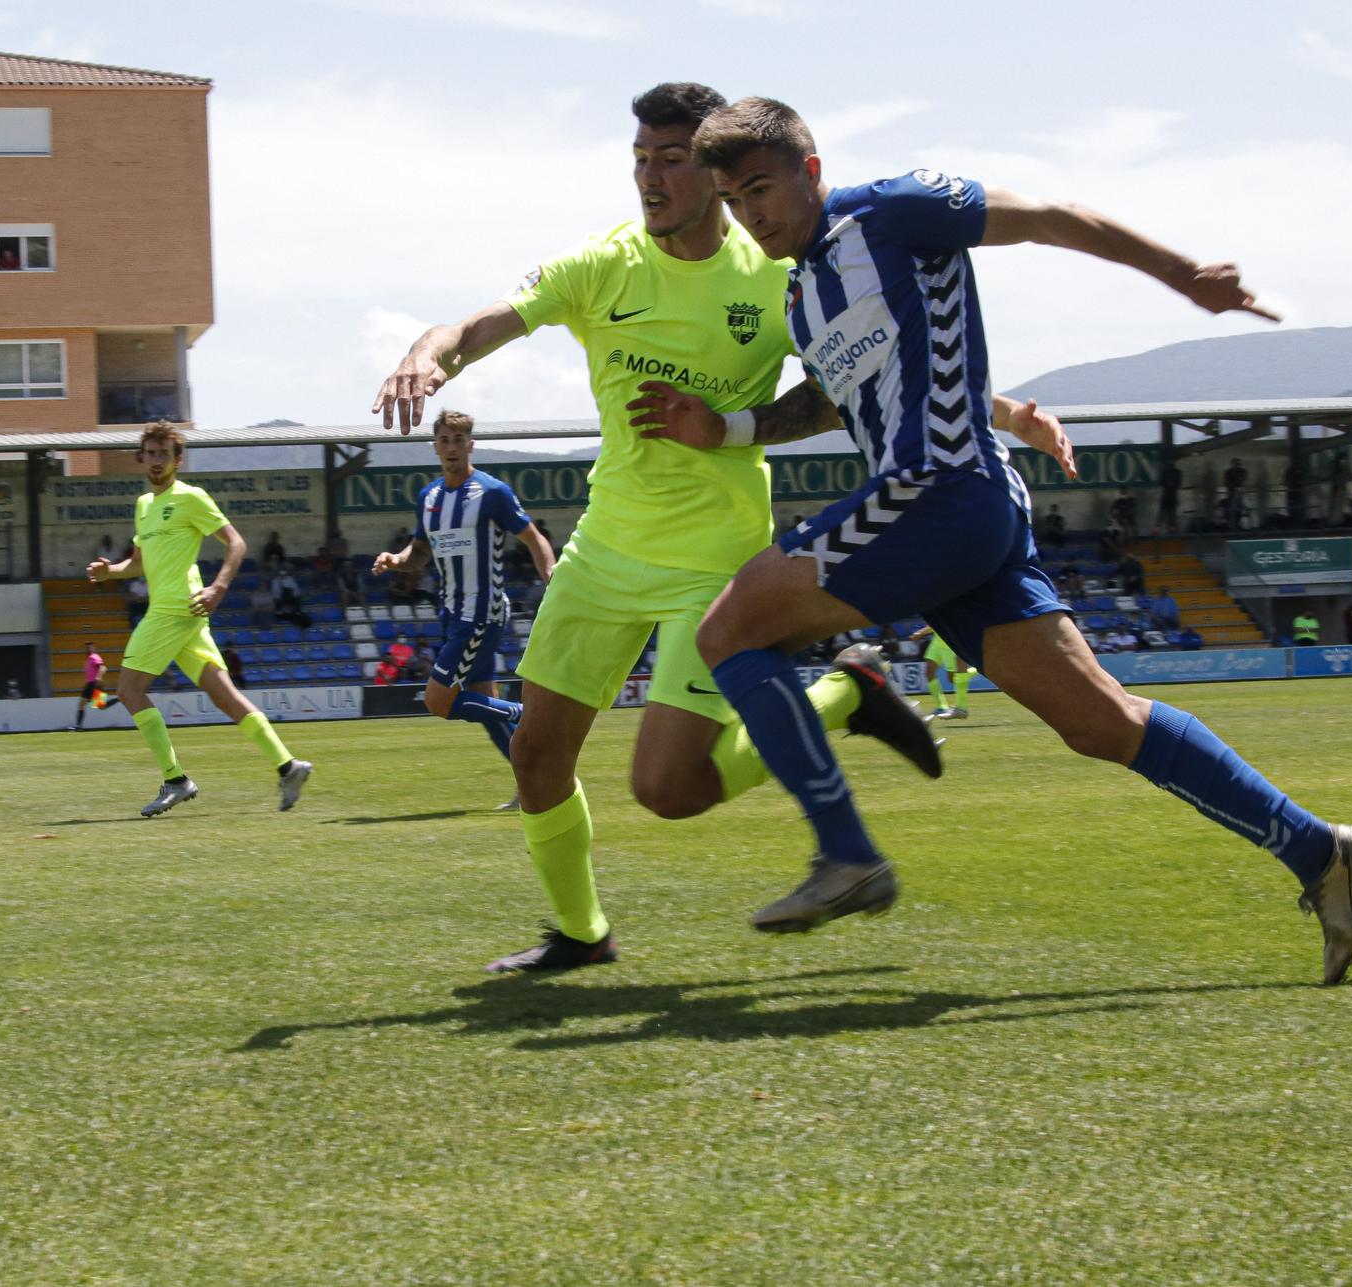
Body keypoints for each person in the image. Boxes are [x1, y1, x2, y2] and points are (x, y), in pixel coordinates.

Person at [681, 95, 1352, 984]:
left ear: (809, 172)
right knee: (1099, 721)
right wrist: (732, 430)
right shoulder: (803, 290)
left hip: (938, 493)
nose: (752, 213)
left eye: (761, 189)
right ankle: (1321, 851)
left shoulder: (894, 206)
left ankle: (846, 854)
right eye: (736, 201)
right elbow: (841, 393)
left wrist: (1180, 272)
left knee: (729, 630)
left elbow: (1053, 218)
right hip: (960, 513)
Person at [370, 82, 947, 974]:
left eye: (670, 160)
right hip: (606, 550)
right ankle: (581, 934)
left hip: (716, 561)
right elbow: (485, 321)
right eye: (639, 159)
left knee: (671, 791)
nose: (649, 178)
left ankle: (847, 693)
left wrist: (741, 424)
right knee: (534, 752)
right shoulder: (604, 265)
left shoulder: (775, 274)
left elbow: (845, 386)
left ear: (716, 176)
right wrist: (427, 351)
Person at [87, 423, 313, 816]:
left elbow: (236, 543)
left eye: (164, 454)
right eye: (151, 453)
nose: (156, 461)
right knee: (224, 695)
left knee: (128, 690)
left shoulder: (191, 498)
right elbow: (138, 564)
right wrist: (112, 571)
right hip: (184, 612)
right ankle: (287, 765)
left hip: (175, 609)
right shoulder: (143, 505)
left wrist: (219, 588)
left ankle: (175, 780)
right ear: (141, 457)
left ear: (178, 459)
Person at [374, 409, 557, 805]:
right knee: (481, 698)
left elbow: (533, 537)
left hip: (482, 612)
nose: (452, 448)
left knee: (438, 701)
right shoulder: (429, 498)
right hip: (452, 612)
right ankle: (534, 784)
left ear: (470, 444)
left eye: (459, 440)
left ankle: (527, 715)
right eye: (444, 440)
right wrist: (396, 560)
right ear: (435, 446)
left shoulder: (492, 493)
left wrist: (551, 575)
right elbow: (420, 552)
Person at [910, 626, 973, 719]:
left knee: (952, 679)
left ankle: (978, 670)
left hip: (949, 646)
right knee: (929, 673)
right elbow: (935, 623)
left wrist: (921, 633)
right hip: (936, 644)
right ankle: (942, 707)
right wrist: (920, 632)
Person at [75, 641, 110, 730]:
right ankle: (78, 726)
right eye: (86, 648)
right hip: (90, 684)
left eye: (90, 647)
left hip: (95, 684)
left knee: (101, 706)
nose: (87, 649)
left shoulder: (94, 657)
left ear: (93, 648)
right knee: (81, 704)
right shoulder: (88, 659)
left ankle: (119, 699)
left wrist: (99, 678)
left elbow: (103, 667)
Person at [1157, 458, 1183, 532]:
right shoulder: (1165, 472)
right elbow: (1161, 482)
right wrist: (1168, 483)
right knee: (1163, 513)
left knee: (1171, 514)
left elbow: (1178, 483)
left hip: (1172, 495)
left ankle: (1171, 528)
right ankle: (1159, 528)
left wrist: (1171, 483)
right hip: (1167, 495)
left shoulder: (1177, 473)